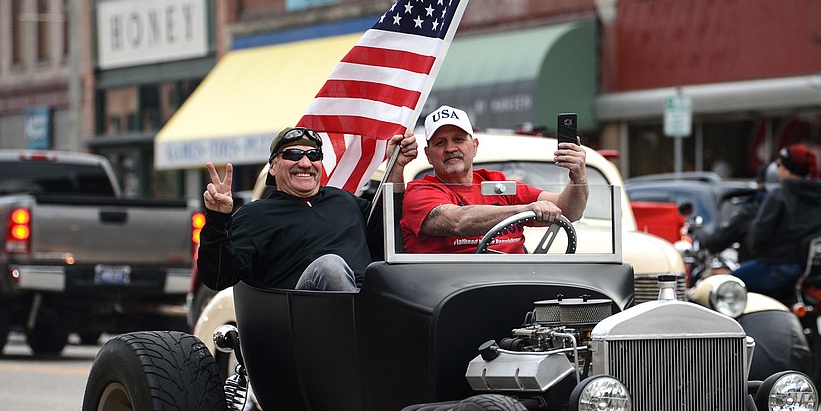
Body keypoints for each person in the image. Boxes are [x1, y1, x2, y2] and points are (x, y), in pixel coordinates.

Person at [198, 125, 418, 292]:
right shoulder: (255, 216)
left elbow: (391, 231)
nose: (305, 163)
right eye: (293, 155)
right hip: (301, 321)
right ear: (272, 167)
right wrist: (218, 219)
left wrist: (396, 166)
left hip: (370, 303)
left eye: (313, 155)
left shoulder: (344, 200)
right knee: (330, 266)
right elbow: (218, 277)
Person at [400, 105, 588, 254]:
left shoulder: (496, 183)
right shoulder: (419, 191)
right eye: (440, 143)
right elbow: (456, 221)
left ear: (474, 147)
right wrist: (523, 210)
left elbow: (569, 211)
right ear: (428, 155)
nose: (450, 148)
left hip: (515, 284)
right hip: (453, 292)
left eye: (458, 139)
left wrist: (578, 175)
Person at [731, 144, 821, 297]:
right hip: (820, 274)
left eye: (779, 165)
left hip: (779, 270)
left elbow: (759, 235)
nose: (778, 169)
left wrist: (758, 251)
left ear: (787, 168)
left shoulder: (779, 196)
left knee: (728, 285)